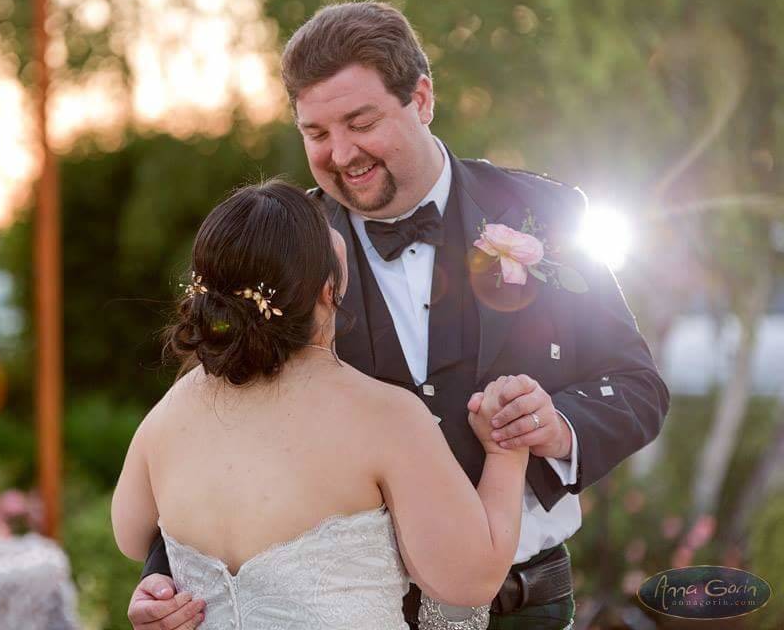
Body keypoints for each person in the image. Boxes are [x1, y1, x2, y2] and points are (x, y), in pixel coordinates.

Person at [128, 1, 669, 630]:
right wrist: (166, 579)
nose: (340, 153)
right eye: (316, 133)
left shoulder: (544, 213)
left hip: (527, 605)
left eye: (361, 122)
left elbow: (638, 387)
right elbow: (214, 423)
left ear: (421, 98)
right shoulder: (284, 245)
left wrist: (559, 427)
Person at [112, 180, 530, 630]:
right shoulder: (383, 416)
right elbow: (471, 580)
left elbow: (131, 536)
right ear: (328, 288)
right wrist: (507, 452)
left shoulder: (172, 410)